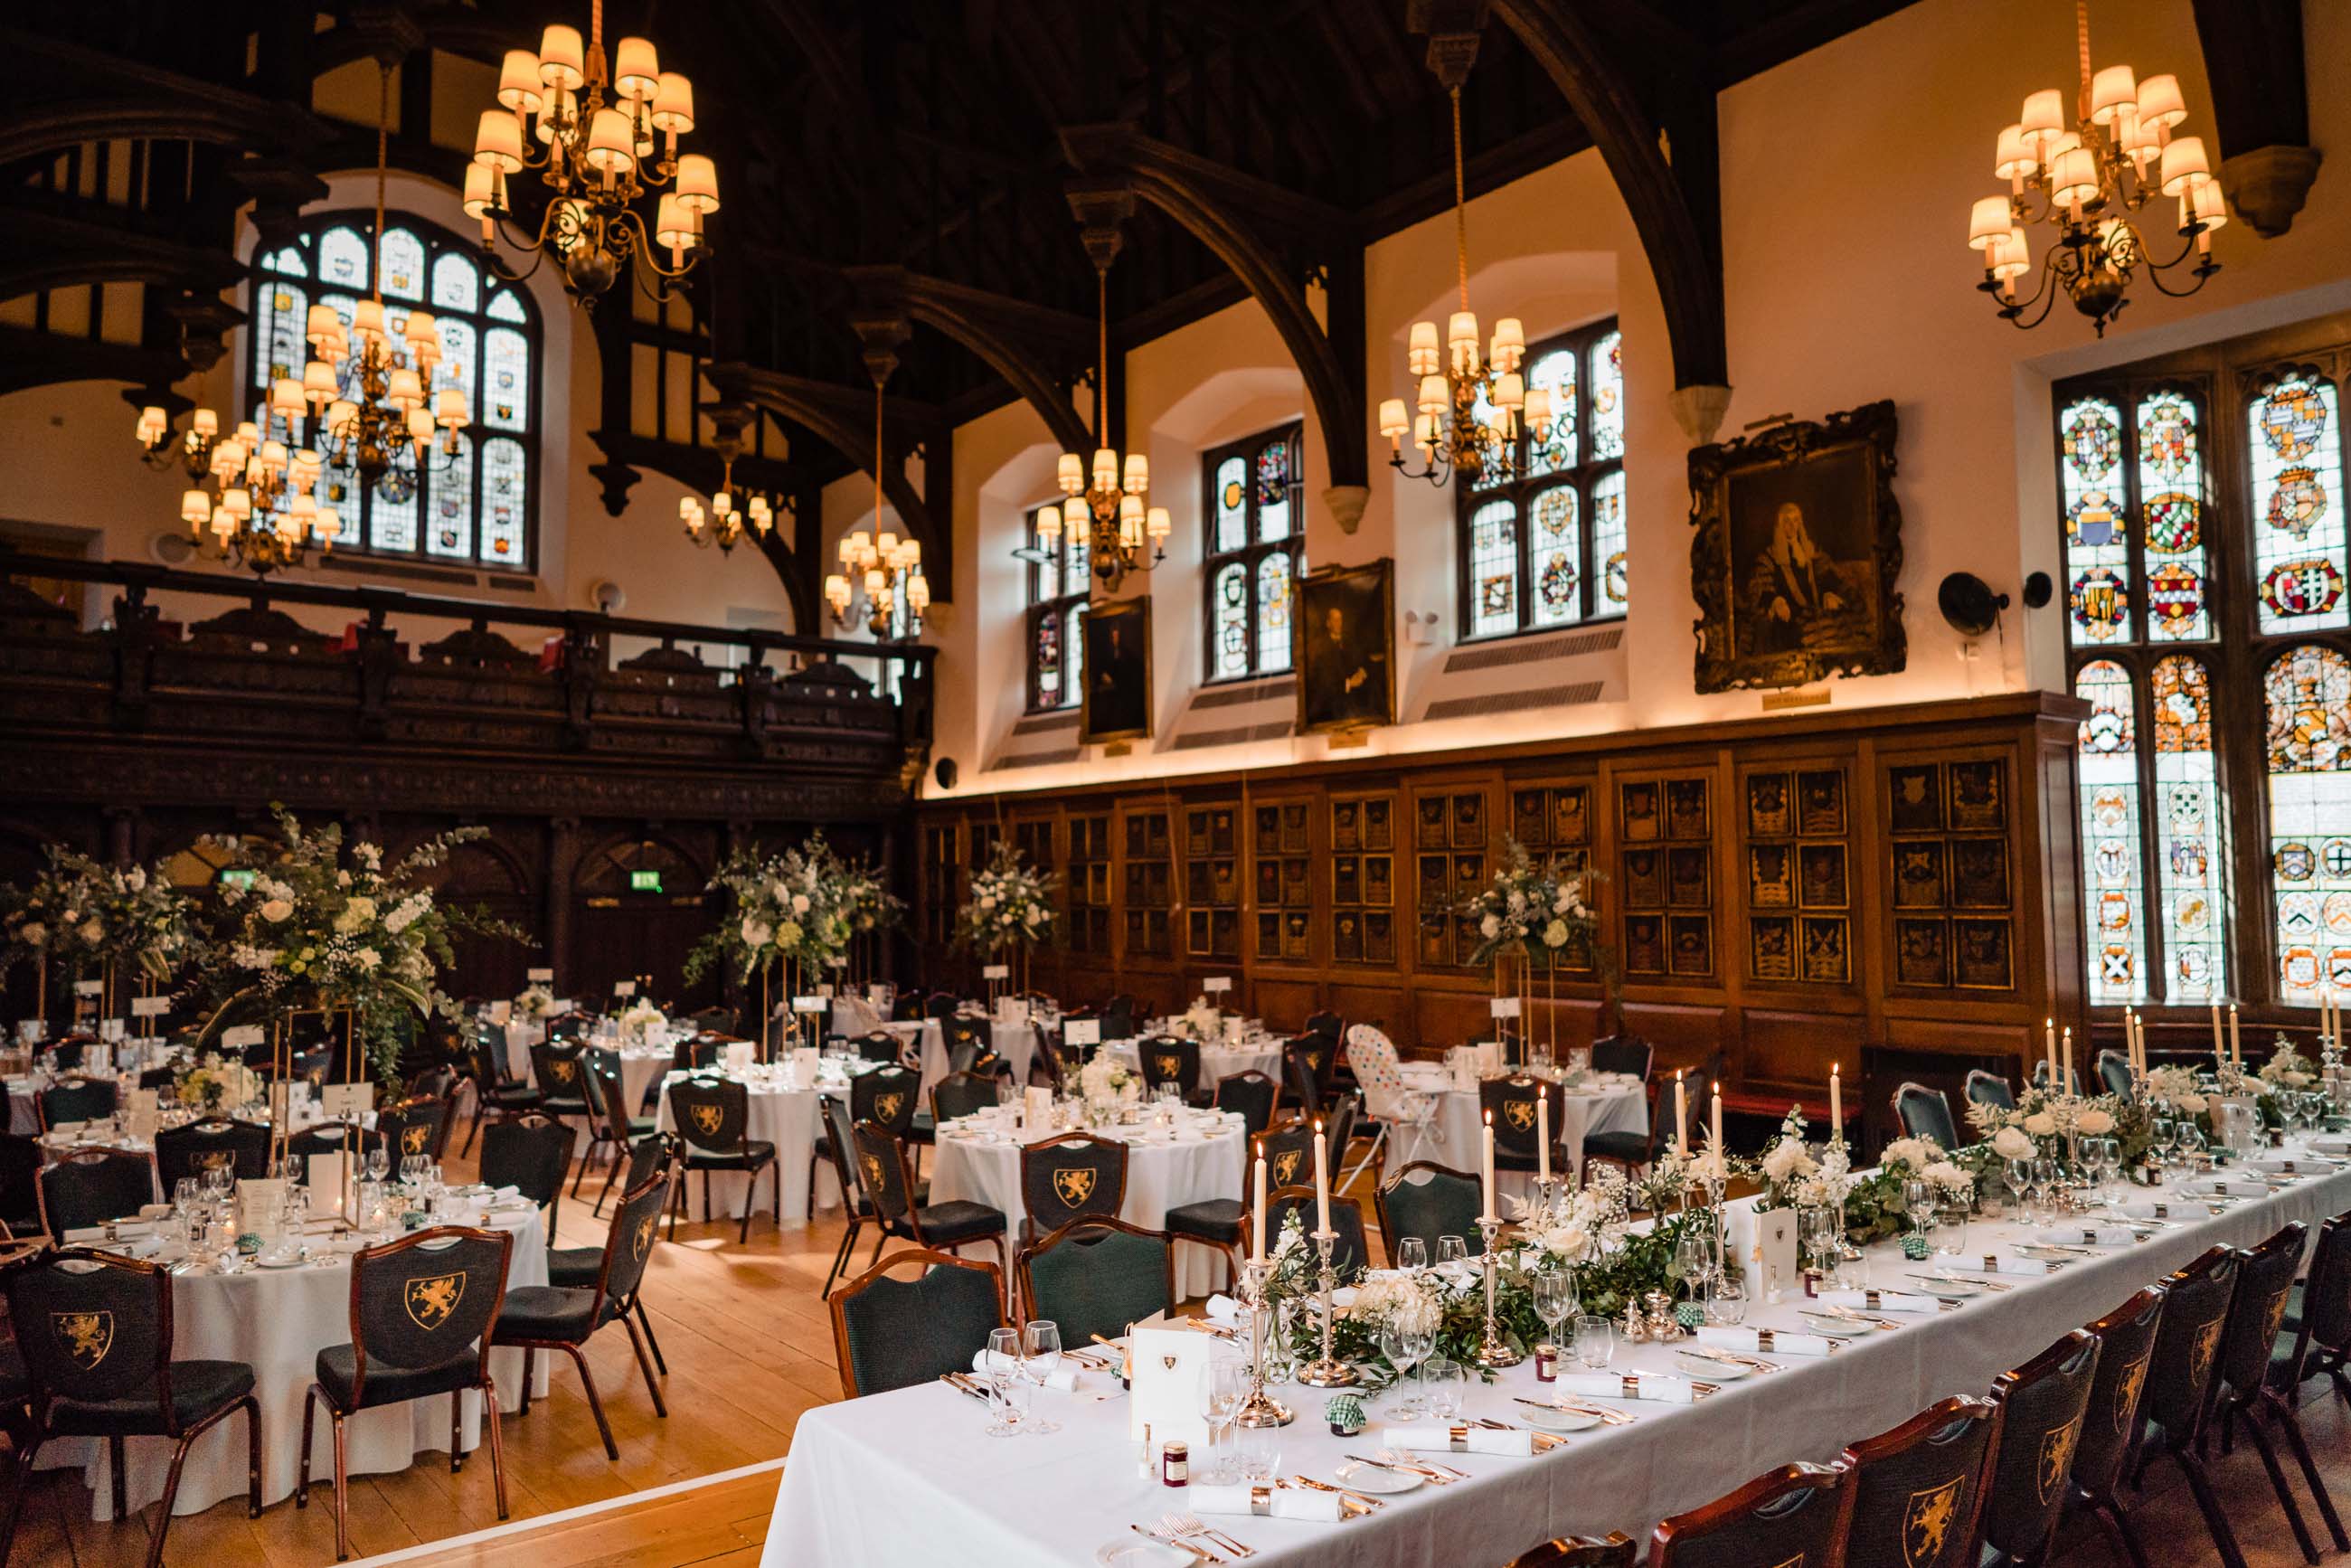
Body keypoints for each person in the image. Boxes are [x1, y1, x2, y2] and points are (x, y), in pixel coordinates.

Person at [1748, 500, 1846, 651]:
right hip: (1789, 616)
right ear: (1780, 525)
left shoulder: (1810, 549)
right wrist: (1776, 601)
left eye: (1796, 520)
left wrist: (1828, 593)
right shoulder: (1769, 557)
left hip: (1816, 609)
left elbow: (1825, 577)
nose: (1792, 526)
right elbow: (1762, 590)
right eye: (1787, 521)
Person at [1304, 600, 1383, 725]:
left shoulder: (1349, 640)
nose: (1338, 623)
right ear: (1328, 623)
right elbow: (1324, 681)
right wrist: (1349, 683)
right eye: (1335, 620)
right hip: (1335, 701)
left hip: (1357, 696)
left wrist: (1362, 671)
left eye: (1340, 619)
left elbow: (1362, 659)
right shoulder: (1321, 647)